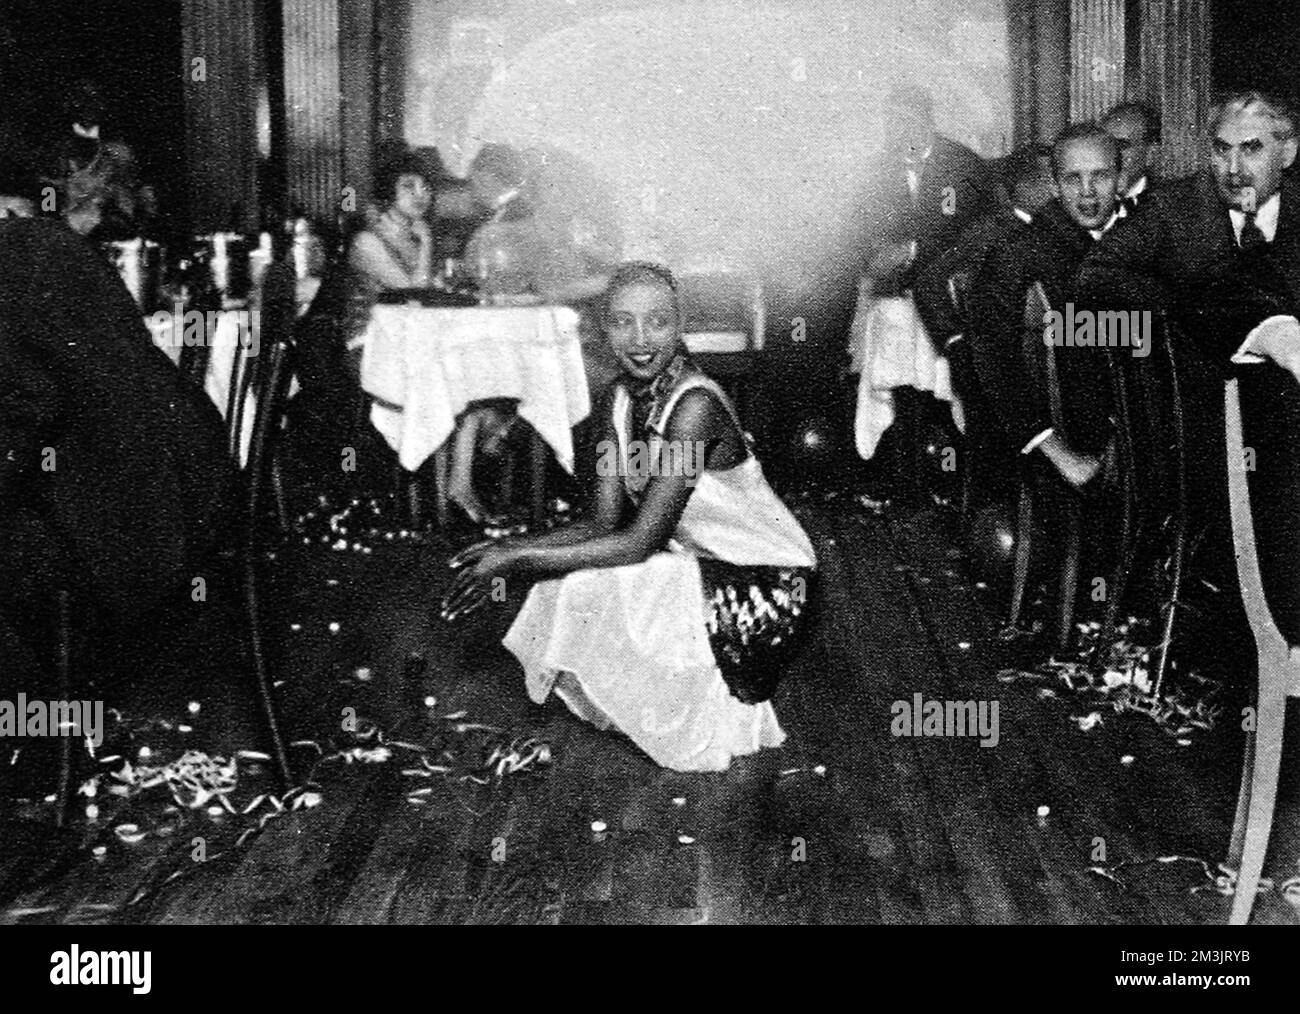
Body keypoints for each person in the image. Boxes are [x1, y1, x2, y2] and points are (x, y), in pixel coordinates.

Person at [442, 262, 817, 772]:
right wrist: (510, 550)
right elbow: (602, 522)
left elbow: (639, 541)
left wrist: (517, 559)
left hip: (768, 587)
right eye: (623, 322)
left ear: (679, 325)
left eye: (657, 321)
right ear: (604, 328)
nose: (640, 339)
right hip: (699, 564)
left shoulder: (696, 407)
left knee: (597, 583)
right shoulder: (619, 399)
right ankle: (649, 703)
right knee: (566, 584)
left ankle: (697, 709)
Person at [967, 123, 1123, 489]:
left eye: (1099, 176)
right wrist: (1056, 451)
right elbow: (992, 361)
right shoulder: (1017, 256)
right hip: (1068, 451)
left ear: (1120, 178)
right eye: (1072, 179)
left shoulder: (1141, 240)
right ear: (1053, 186)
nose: (1087, 193)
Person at [1101, 101, 1160, 215]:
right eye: (1104, 145)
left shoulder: (1170, 207)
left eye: (1122, 146)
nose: (1110, 154)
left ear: (1150, 154)